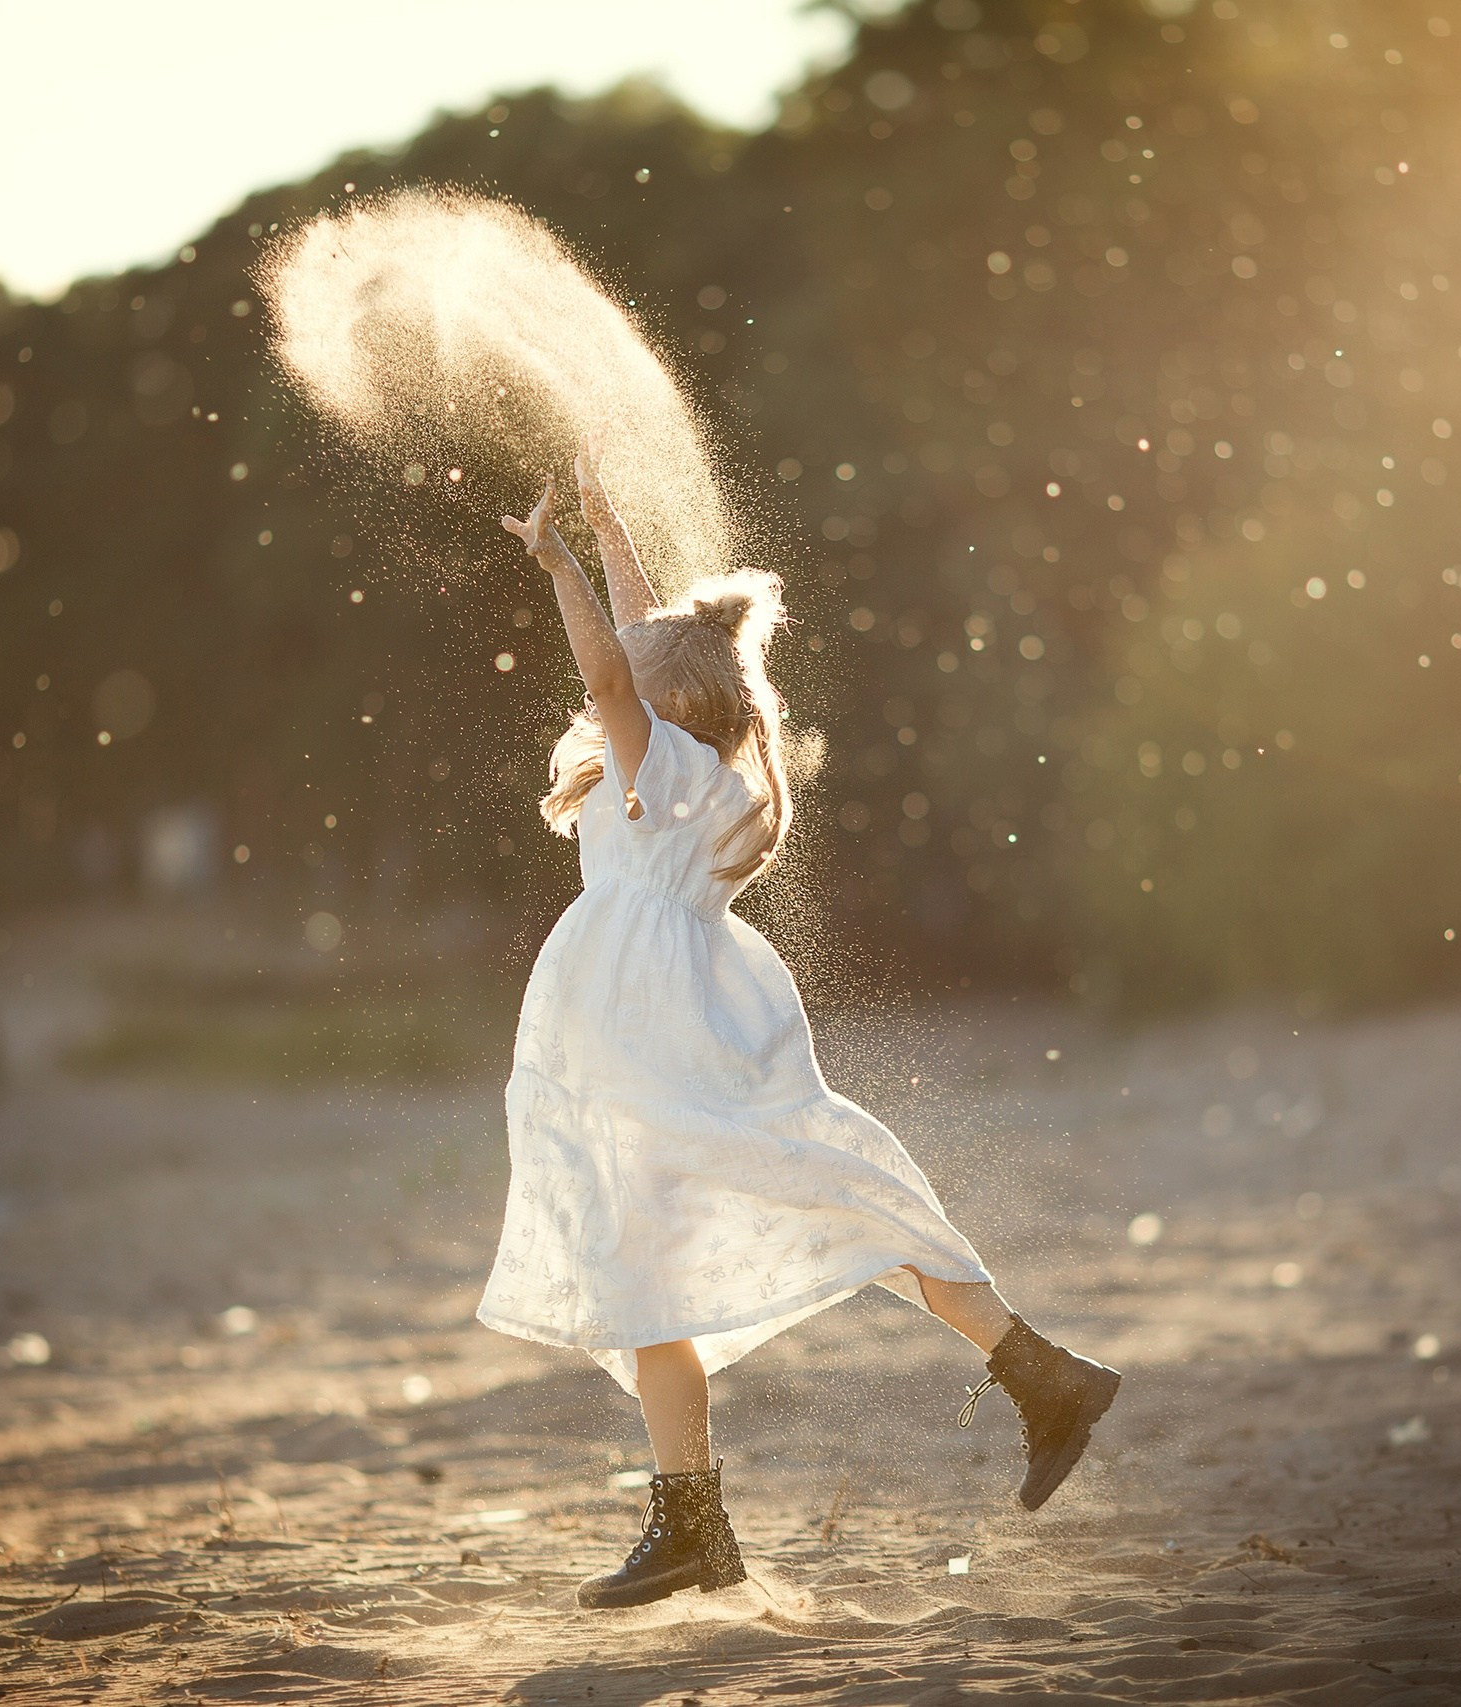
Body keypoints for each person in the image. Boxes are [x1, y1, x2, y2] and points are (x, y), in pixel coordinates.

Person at [478, 446, 1121, 1610]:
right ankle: (1033, 1376)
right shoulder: (704, 768)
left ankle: (699, 1522)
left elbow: (612, 670)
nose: (605, 678)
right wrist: (611, 530)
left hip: (649, 1036)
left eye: (631, 672)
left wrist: (558, 561)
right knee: (738, 1235)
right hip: (672, 1025)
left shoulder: (662, 762)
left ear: (670, 704)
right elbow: (642, 648)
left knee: (658, 1262)